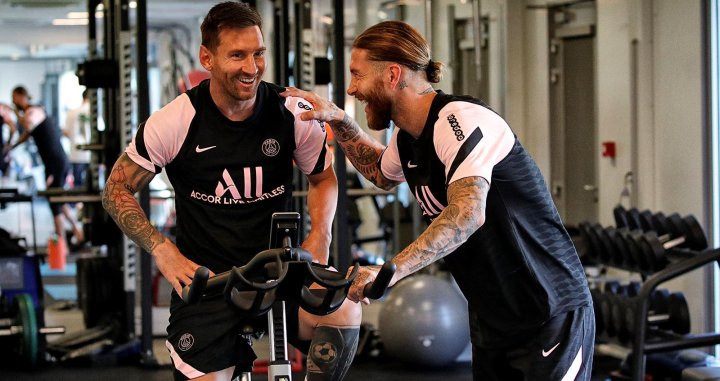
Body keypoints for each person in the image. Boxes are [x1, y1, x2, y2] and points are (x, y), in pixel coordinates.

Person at [281, 20, 595, 381]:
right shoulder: (407, 137)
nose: (352, 89)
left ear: (393, 74)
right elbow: (382, 174)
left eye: (357, 75)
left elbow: (467, 212)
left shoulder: (459, 120)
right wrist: (339, 121)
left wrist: (391, 270)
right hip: (493, 317)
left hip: (548, 310)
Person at [101, 2, 360, 380]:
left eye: (258, 54)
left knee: (345, 309)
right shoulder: (175, 121)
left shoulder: (292, 112)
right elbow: (116, 189)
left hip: (281, 271)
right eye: (237, 55)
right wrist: (162, 249)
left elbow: (323, 178)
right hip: (209, 279)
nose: (251, 68)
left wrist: (320, 233)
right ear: (207, 57)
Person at [2, 86, 84, 249]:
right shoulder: (32, 114)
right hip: (53, 162)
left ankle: (63, 246)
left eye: (14, 98)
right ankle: (77, 232)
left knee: (54, 199)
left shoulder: (34, 111)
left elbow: (26, 124)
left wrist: (12, 111)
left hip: (56, 162)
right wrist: (11, 146)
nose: (13, 101)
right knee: (57, 198)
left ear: (21, 96)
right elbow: (26, 134)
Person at [63, 89, 92, 188]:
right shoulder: (93, 111)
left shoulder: (71, 113)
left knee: (78, 183)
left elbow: (66, 132)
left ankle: (78, 202)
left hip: (77, 153)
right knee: (92, 182)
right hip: (92, 153)